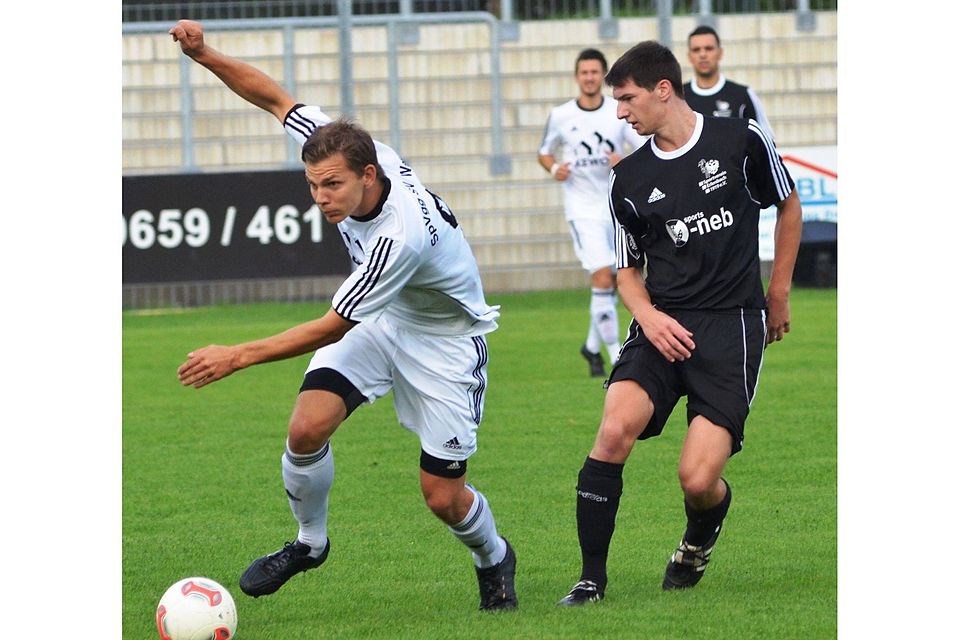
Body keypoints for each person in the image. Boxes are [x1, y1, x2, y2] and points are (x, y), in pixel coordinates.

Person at [169, 19, 518, 612]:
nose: (321, 197)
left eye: (332, 185)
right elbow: (274, 98)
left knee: (441, 495)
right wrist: (204, 55)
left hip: (444, 343)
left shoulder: (400, 237)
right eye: (312, 185)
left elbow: (332, 326)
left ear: (369, 175)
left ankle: (494, 557)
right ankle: (309, 543)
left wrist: (238, 355)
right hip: (386, 323)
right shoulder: (349, 147)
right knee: (305, 430)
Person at [557, 40, 802, 605]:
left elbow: (787, 204)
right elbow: (626, 270)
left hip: (733, 327)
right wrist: (647, 317)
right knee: (615, 428)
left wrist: (779, 291)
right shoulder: (629, 179)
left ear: (662, 90)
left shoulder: (738, 139)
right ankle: (591, 579)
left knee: (697, 479)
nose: (619, 112)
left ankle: (700, 533)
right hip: (662, 324)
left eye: (627, 99)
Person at [538, 49, 646, 378]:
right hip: (581, 209)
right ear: (577, 77)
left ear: (603, 76)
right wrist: (555, 167)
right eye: (584, 72)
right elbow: (544, 152)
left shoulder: (618, 111)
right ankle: (617, 358)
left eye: (595, 72)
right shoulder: (561, 115)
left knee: (614, 281)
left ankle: (590, 345)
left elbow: (642, 147)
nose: (589, 78)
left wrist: (623, 163)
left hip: (614, 208)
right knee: (603, 277)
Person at [683, 25, 776, 143]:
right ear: (689, 56)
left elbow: (765, 140)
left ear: (720, 53)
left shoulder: (742, 95)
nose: (703, 55)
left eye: (709, 48)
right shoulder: (679, 97)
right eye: (696, 50)